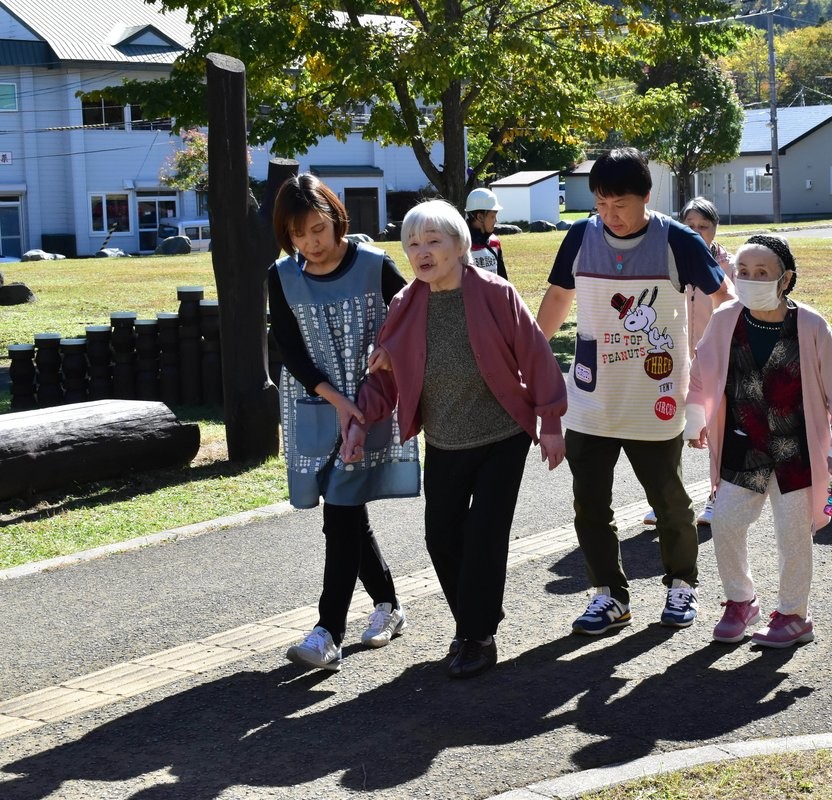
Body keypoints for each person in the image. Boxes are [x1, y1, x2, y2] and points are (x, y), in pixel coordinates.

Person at [343, 199, 567, 679]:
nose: (421, 252)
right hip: (445, 440)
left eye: (433, 241)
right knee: (441, 536)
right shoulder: (405, 305)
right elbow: (385, 375)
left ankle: (476, 636)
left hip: (503, 435)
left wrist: (550, 421)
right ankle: (475, 617)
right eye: (412, 244)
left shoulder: (495, 293)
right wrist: (360, 422)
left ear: (460, 245)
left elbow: (536, 354)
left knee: (485, 535)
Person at [535, 147, 733, 635]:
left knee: (669, 502)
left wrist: (713, 375)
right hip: (590, 397)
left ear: (646, 196)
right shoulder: (581, 236)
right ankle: (609, 595)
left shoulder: (677, 239)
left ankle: (682, 584)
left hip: (657, 398)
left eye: (620, 204)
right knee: (590, 505)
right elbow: (558, 297)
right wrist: (533, 357)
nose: (610, 215)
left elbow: (724, 299)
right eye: (601, 204)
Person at [268, 173, 419, 672]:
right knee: (348, 513)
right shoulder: (281, 277)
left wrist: (389, 352)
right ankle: (388, 605)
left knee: (340, 515)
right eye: (298, 234)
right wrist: (334, 400)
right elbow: (289, 349)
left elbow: (414, 315)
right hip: (317, 405)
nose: (310, 243)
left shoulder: (375, 265)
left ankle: (327, 633)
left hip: (368, 405)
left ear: (336, 219)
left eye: (317, 229)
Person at [684, 235, 832, 647]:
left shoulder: (811, 325)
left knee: (793, 535)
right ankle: (741, 601)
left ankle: (795, 615)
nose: (749, 279)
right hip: (743, 445)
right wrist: (696, 419)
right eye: (742, 271)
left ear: (786, 279)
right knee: (725, 521)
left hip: (796, 450)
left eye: (761, 273)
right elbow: (701, 373)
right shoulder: (725, 318)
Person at [642, 196, 735, 529]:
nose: (696, 232)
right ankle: (666, 501)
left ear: (715, 228)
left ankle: (717, 497)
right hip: (677, 361)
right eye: (689, 225)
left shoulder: (729, 266)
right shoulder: (668, 261)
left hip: (717, 361)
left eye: (704, 226)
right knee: (670, 431)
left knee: (718, 431)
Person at [465, 188, 508, 279]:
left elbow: (502, 279)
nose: (496, 220)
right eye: (493, 216)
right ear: (480, 217)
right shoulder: (461, 245)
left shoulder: (494, 242)